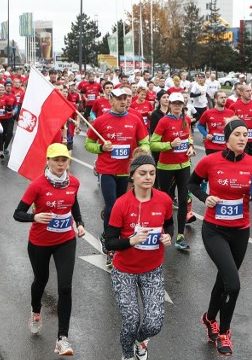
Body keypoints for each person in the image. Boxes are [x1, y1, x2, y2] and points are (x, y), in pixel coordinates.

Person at [188, 116, 252, 356]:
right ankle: (224, 332)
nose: (243, 138)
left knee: (223, 279)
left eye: (246, 134)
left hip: (241, 231)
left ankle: (209, 318)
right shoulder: (210, 161)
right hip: (215, 230)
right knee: (233, 283)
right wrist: (205, 197)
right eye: (238, 135)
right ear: (227, 138)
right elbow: (192, 184)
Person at [13, 143, 86, 356]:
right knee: (41, 280)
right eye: (56, 160)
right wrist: (34, 217)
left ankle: (62, 338)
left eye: (64, 160)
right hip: (40, 242)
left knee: (65, 287)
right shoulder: (37, 185)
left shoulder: (74, 182)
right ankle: (36, 311)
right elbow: (17, 213)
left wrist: (80, 223)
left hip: (65, 240)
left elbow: (73, 204)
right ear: (48, 161)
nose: (61, 164)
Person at [105, 152, 173, 360]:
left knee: (154, 323)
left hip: (152, 269)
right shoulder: (122, 204)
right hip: (124, 271)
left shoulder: (164, 200)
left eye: (152, 173)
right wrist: (130, 241)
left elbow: (169, 223)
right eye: (142, 173)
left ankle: (140, 341)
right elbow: (109, 241)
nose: (148, 178)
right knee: (131, 320)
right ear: (132, 176)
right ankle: (127, 355)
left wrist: (168, 235)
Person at [85, 88, 150, 266]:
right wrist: (101, 148)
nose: (124, 102)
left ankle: (115, 237)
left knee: (124, 209)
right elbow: (88, 144)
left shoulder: (135, 119)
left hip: (127, 172)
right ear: (111, 100)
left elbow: (145, 140)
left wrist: (143, 152)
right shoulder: (101, 121)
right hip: (107, 171)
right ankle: (110, 246)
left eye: (126, 98)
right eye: (120, 99)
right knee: (113, 207)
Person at [150, 92, 196, 250]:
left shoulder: (186, 119)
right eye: (175, 103)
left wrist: (191, 147)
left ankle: (180, 236)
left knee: (183, 200)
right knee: (165, 201)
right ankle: (161, 230)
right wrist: (169, 145)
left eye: (180, 103)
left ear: (183, 105)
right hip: (165, 167)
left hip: (183, 165)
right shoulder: (164, 121)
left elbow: (188, 137)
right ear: (169, 105)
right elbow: (153, 144)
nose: (177, 106)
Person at [228, 85, 252, 156]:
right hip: (240, 137)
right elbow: (229, 121)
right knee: (242, 157)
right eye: (247, 91)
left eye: (250, 91)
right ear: (241, 93)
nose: (250, 93)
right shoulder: (234, 106)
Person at [0, 84, 15, 159]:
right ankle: (1, 151)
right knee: (0, 135)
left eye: (3, 90)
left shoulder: (7, 98)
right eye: (0, 90)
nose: (1, 91)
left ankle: (5, 147)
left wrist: (8, 110)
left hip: (6, 119)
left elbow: (10, 109)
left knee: (8, 134)